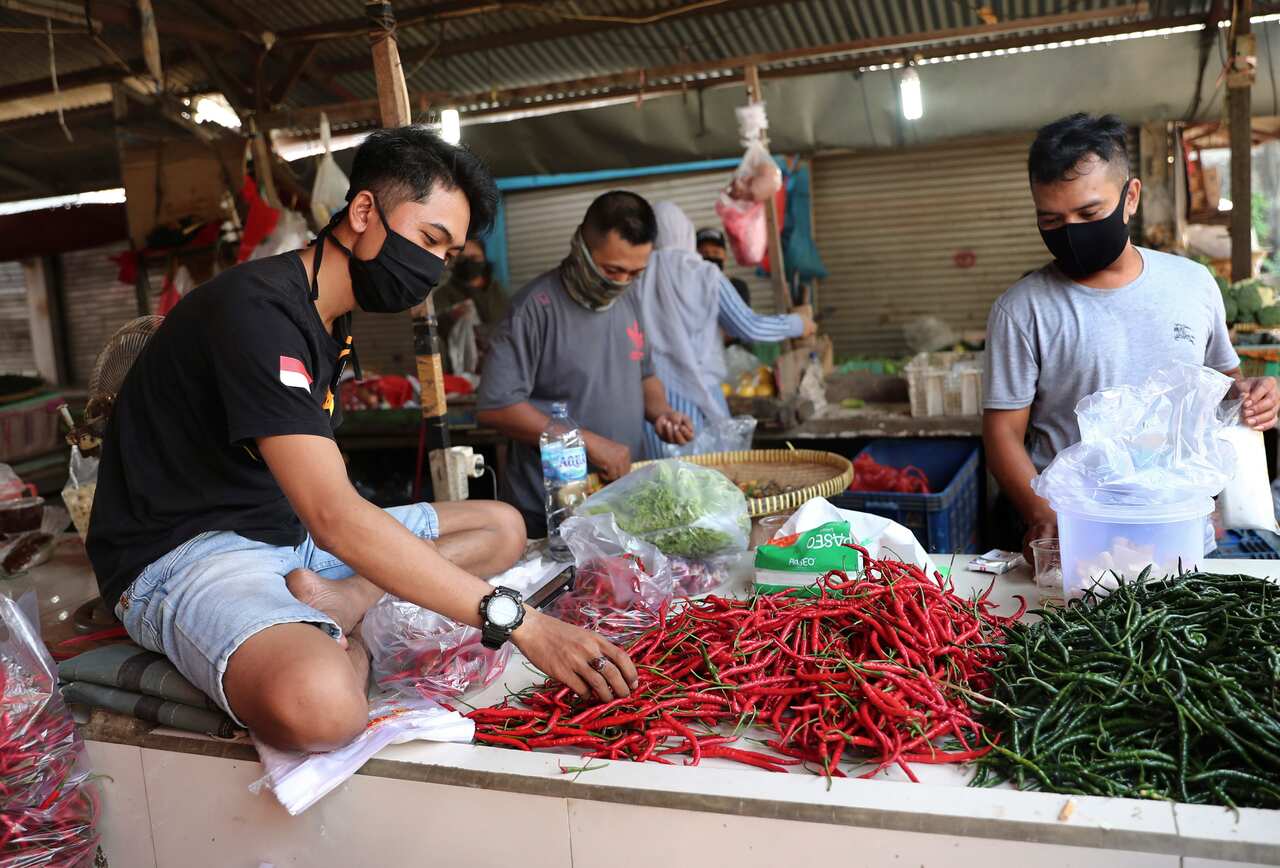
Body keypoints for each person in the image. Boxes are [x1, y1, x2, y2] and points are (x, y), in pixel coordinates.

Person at [86, 127, 638, 753]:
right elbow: (334, 517)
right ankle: (344, 642)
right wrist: (522, 622)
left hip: (287, 535)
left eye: (449, 254)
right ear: (364, 211)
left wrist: (359, 574)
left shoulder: (330, 320)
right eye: (430, 239)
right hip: (191, 553)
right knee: (321, 711)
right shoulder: (258, 312)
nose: (434, 268)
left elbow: (326, 513)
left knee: (503, 526)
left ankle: (351, 599)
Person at [983, 113, 1279, 558]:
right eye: (1051, 220)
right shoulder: (1022, 309)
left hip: (1180, 531)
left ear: (1130, 197)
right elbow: (1003, 433)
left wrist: (1255, 396)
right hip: (1081, 540)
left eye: (1089, 213)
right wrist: (1042, 514)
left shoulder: (1193, 283)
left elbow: (1224, 388)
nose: (1072, 232)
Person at [477, 191, 695, 536]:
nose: (621, 282)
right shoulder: (534, 309)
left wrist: (662, 413)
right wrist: (587, 443)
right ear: (581, 245)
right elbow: (497, 406)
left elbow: (645, 372)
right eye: (612, 270)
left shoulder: (628, 301)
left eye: (634, 273)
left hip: (619, 503)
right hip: (552, 513)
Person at [638, 203, 816, 459]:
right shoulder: (705, 274)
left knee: (659, 486)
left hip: (651, 406)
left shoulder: (635, 276)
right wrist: (798, 323)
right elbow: (749, 326)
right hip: (701, 399)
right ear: (686, 232)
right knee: (708, 483)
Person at [433, 238, 509, 371]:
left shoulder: (498, 291)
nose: (468, 263)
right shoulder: (442, 295)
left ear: (484, 259)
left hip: (499, 368)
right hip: (459, 373)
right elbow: (434, 333)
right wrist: (451, 316)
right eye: (462, 258)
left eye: (474, 257)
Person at [695, 226, 752, 309]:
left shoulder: (737, 287)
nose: (710, 256)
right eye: (704, 253)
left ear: (725, 255)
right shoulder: (687, 287)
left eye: (716, 253)